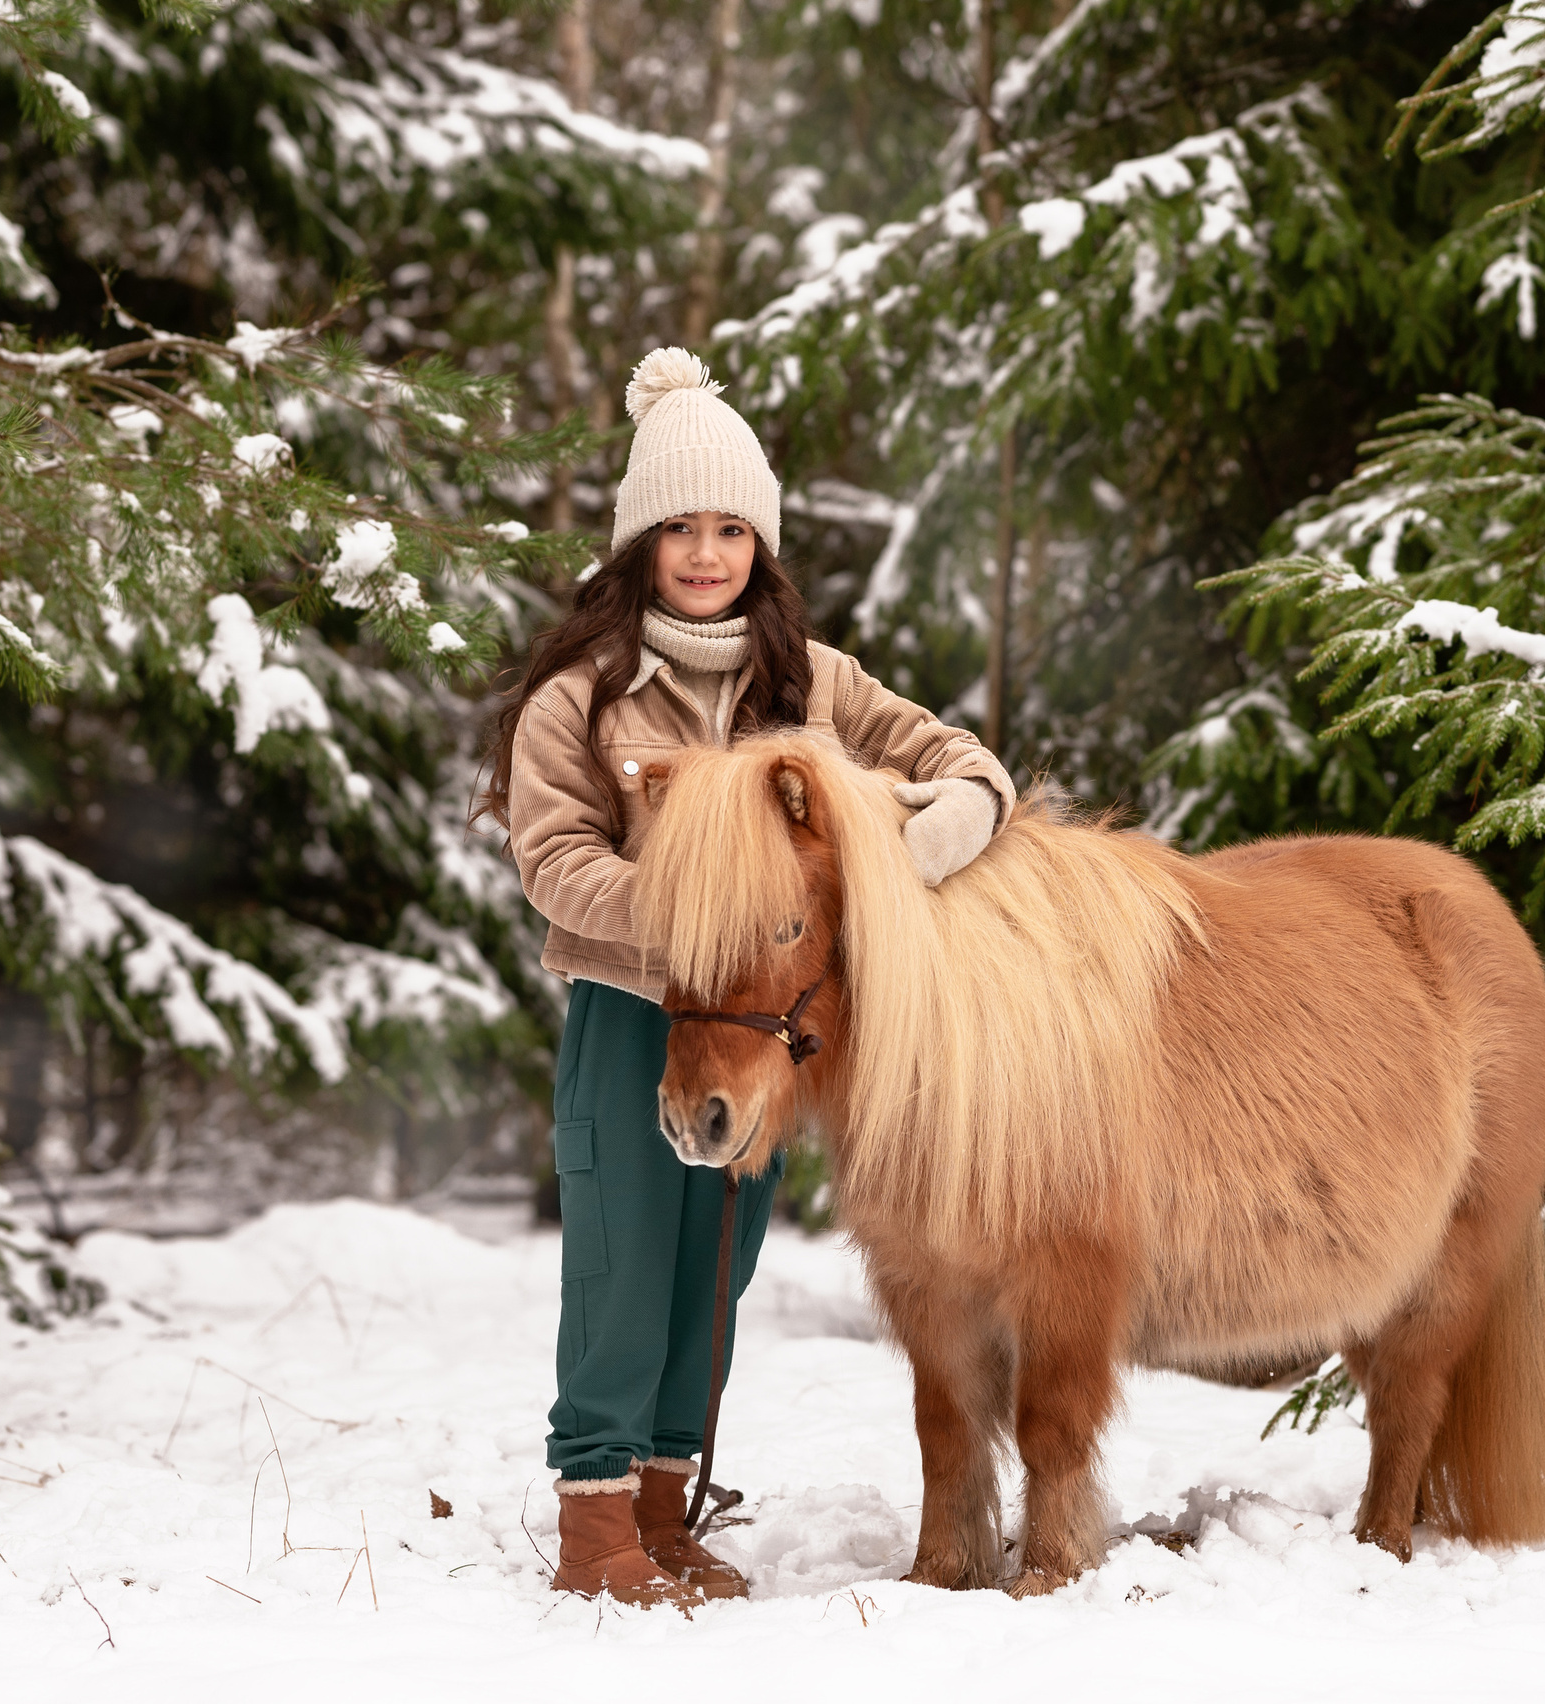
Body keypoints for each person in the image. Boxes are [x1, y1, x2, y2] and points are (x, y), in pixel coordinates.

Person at [480, 347, 1017, 1609]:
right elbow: (552, 858)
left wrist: (941, 829)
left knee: (713, 1269)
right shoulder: (582, 698)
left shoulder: (809, 682)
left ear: (760, 545)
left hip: (766, 1033)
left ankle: (668, 1507)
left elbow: (956, 757)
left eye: (731, 528)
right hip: (631, 1016)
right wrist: (702, 916)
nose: (708, 553)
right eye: (681, 528)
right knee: (621, 1260)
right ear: (639, 544)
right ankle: (596, 1516)